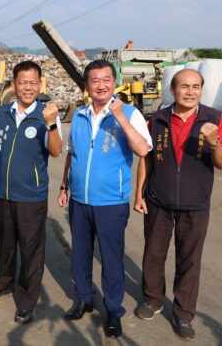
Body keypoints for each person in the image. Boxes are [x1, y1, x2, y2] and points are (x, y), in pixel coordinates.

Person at [133, 68, 222, 342]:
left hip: (195, 203)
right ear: (172, 90)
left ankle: (184, 314)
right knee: (153, 254)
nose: (190, 92)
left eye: (196, 87)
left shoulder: (213, 119)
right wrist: (139, 193)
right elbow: (147, 159)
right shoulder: (157, 119)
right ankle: (152, 300)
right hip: (158, 199)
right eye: (185, 86)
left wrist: (214, 144)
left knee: (189, 260)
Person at [57, 59, 152, 338]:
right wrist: (64, 187)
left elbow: (143, 150)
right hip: (80, 200)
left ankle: (113, 310)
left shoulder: (131, 113)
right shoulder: (80, 116)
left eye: (107, 79)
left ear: (115, 82)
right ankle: (84, 298)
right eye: (95, 80)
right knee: (81, 254)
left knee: (111, 259)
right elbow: (71, 154)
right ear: (86, 86)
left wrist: (120, 117)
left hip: (111, 202)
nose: (101, 85)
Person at [0, 61, 62, 324]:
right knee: (5, 244)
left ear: (40, 84)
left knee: (31, 250)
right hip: (3, 193)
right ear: (13, 84)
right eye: (23, 82)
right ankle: (3, 283)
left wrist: (50, 125)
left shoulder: (46, 114)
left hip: (31, 196)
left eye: (33, 82)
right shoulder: (1, 113)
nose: (28, 87)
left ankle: (27, 300)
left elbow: (56, 150)